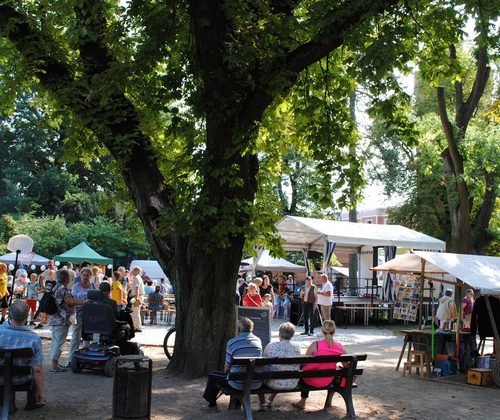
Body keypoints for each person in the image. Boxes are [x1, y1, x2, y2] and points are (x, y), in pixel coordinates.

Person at [203, 318, 262, 408]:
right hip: (255, 383)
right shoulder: (258, 341)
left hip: (238, 384)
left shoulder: (232, 342)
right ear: (252, 329)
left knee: (213, 375)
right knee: (238, 375)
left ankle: (211, 404)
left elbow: (227, 369)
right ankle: (237, 405)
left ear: (238, 329)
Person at [0, 300, 45, 411]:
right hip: (21, 379)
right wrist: (41, 391)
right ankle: (32, 401)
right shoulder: (34, 339)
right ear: (26, 316)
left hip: (0, 376)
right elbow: (37, 369)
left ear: (10, 315)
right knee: (36, 371)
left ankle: (3, 401)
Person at [291, 320, 346, 410]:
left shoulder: (315, 345)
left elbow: (306, 361)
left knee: (303, 368)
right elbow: (346, 366)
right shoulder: (340, 347)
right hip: (328, 380)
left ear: (322, 331)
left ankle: (303, 401)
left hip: (310, 379)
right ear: (334, 331)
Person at [48, 269, 87, 372]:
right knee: (59, 342)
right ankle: (54, 365)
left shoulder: (55, 287)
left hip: (54, 318)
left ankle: (55, 363)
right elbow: (69, 301)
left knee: (55, 341)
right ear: (66, 278)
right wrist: (83, 302)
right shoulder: (63, 289)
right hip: (62, 319)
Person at [259, 322, 301, 411]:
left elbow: (263, 363)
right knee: (282, 371)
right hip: (292, 383)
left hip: (273, 383)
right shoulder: (297, 347)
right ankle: (269, 399)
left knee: (265, 371)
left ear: (280, 333)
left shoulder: (271, 346)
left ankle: (263, 403)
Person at [65, 267, 94, 367]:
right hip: (77, 313)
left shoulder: (92, 286)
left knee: (88, 337)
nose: (85, 277)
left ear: (90, 276)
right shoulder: (76, 286)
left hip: (89, 314)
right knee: (75, 337)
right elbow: (72, 299)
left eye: (87, 275)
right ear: (80, 275)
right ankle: (70, 359)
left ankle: (86, 359)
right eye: (84, 275)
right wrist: (82, 302)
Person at [130, 266, 145, 332]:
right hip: (136, 296)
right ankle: (135, 326)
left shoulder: (136, 278)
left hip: (137, 297)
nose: (132, 271)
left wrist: (136, 297)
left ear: (137, 271)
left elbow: (137, 287)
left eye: (133, 270)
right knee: (133, 311)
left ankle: (137, 327)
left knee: (135, 311)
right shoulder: (137, 278)